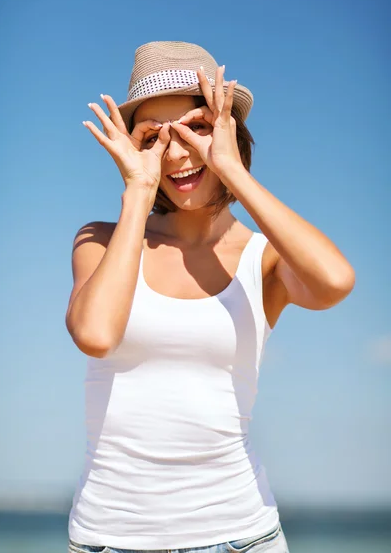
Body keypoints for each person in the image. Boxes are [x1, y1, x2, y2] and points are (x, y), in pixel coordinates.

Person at [65, 41, 355, 553]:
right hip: (111, 538)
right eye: (153, 137)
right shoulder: (102, 240)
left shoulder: (263, 258)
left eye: (196, 128)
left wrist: (234, 173)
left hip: (241, 534)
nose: (177, 153)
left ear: (228, 134)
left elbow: (334, 281)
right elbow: (95, 334)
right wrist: (137, 191)